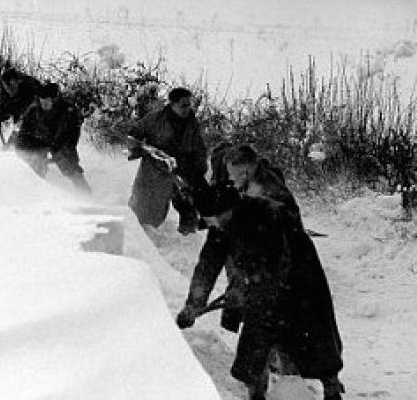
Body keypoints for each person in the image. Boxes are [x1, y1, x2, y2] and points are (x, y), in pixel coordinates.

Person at [178, 150, 345, 400]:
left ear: (226, 211)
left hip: (300, 278)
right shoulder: (221, 227)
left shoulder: (266, 214)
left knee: (310, 335)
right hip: (262, 286)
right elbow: (207, 265)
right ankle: (256, 392)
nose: (209, 225)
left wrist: (246, 287)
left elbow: (276, 264)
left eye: (210, 219)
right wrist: (193, 305)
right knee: (257, 340)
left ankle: (330, 386)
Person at [119, 87, 208, 234]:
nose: (187, 109)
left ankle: (186, 243)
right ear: (172, 104)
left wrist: (198, 172)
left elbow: (199, 150)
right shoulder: (155, 119)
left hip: (182, 171)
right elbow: (134, 134)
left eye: (189, 105)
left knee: (189, 210)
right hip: (153, 170)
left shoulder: (192, 124)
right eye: (183, 105)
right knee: (142, 206)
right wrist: (136, 146)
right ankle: (134, 237)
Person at [13, 82, 91, 193]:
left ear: (55, 100)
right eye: (42, 101)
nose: (44, 104)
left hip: (61, 142)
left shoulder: (69, 111)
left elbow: (73, 135)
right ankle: (37, 193)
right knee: (34, 162)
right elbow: (24, 133)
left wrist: (61, 148)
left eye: (47, 101)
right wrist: (26, 152)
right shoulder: (33, 111)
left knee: (68, 164)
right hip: (39, 141)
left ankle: (85, 193)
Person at [0, 67, 41, 147]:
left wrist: (2, 115)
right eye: (6, 87)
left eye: (10, 86)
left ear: (17, 81)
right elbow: (9, 103)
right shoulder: (9, 87)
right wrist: (0, 115)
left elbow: (18, 105)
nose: (8, 90)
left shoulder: (29, 86)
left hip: (38, 122)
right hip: (24, 119)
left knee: (24, 129)